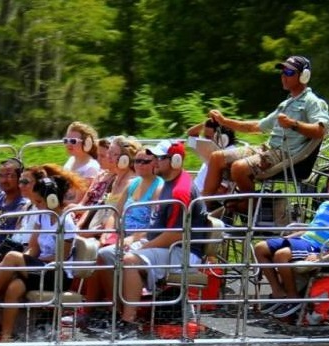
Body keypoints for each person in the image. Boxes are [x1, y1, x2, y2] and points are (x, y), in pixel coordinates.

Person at [86, 140, 212, 325]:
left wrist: (140, 248)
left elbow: (176, 235)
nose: (156, 162)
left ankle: (129, 321)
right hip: (162, 244)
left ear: (176, 161)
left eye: (160, 158)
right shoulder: (169, 184)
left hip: (183, 251)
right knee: (105, 254)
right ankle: (117, 311)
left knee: (129, 260)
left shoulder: (180, 191)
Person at [0, 164, 86, 341]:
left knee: (12, 257)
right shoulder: (42, 216)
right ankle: (6, 337)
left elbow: (60, 258)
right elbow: (34, 248)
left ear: (52, 200)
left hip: (56, 273)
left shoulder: (66, 222)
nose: (38, 206)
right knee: (14, 287)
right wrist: (20, 262)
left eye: (40, 202)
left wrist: (19, 261)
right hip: (40, 268)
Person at [202, 55, 329, 209]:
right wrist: (224, 121)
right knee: (216, 157)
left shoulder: (312, 102)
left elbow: (321, 130)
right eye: (283, 72)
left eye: (289, 73)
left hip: (285, 155)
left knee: (239, 168)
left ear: (304, 76)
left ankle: (249, 206)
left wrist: (293, 124)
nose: (284, 76)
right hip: (268, 149)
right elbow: (255, 127)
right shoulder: (285, 104)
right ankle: (202, 209)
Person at [252, 170, 329, 320]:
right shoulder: (325, 204)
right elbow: (312, 228)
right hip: (304, 240)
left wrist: (321, 256)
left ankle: (292, 297)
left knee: (281, 255)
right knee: (260, 247)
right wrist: (292, 236)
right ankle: (278, 292)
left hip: (317, 247)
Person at [105, 141, 161, 248]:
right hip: (120, 233)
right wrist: (107, 232)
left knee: (104, 253)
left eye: (145, 162)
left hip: (139, 239)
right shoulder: (133, 183)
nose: (140, 164)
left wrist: (133, 238)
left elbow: (154, 225)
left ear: (155, 163)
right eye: (137, 161)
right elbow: (115, 214)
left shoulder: (158, 188)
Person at [186, 118, 238, 194]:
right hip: (194, 193)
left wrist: (197, 201)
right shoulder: (212, 148)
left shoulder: (230, 156)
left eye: (208, 137)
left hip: (200, 199)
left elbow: (221, 189)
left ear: (223, 139)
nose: (204, 140)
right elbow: (190, 133)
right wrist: (206, 123)